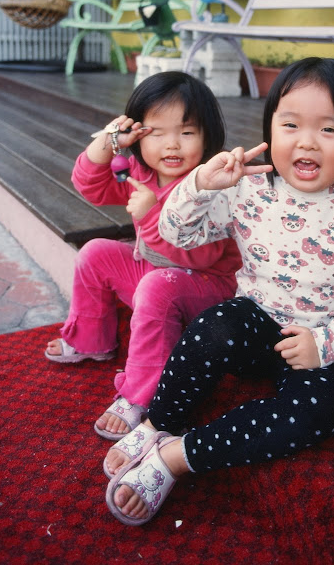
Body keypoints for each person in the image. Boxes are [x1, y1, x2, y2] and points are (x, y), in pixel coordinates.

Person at [103, 57, 334, 525]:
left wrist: (326, 344)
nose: (306, 141)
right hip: (255, 321)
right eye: (290, 125)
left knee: (320, 414)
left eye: (328, 129)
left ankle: (175, 456)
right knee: (210, 328)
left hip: (320, 339)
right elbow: (177, 234)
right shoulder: (250, 189)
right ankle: (160, 421)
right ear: (270, 129)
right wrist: (199, 185)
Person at [44, 71, 241, 441]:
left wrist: (151, 215)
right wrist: (108, 142)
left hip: (208, 289)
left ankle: (144, 393)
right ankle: (91, 339)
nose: (172, 145)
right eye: (157, 133)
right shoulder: (141, 172)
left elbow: (200, 257)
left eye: (186, 132)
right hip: (156, 274)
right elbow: (91, 187)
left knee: (155, 286)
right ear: (137, 135)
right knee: (95, 252)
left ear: (208, 136)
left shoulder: (211, 184)